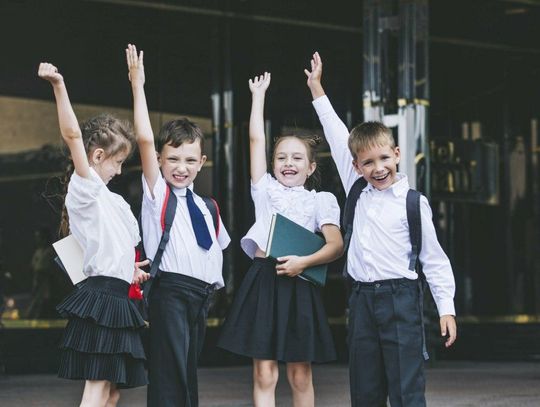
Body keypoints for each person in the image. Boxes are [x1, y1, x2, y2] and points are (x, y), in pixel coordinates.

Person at [305, 52, 457, 407]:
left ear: (398, 154)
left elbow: (434, 260)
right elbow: (335, 130)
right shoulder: (356, 187)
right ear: (356, 166)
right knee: (365, 389)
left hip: (401, 300)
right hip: (361, 301)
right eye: (368, 163)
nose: (378, 168)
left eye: (384, 158)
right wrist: (316, 88)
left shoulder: (413, 202)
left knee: (406, 389)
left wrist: (445, 307)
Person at [217, 72, 344, 407]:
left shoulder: (321, 200)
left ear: (311, 166)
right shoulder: (265, 190)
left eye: (297, 158)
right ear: (272, 165)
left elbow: (335, 246)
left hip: (300, 283)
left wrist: (304, 262)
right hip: (264, 280)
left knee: (300, 374)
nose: (289, 163)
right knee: (264, 373)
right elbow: (256, 140)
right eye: (281, 158)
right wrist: (258, 97)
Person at [38, 62, 150, 407]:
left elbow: (115, 248)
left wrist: (129, 270)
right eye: (117, 163)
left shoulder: (113, 201)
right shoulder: (86, 188)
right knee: (99, 386)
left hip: (119, 295)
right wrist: (59, 84)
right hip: (102, 297)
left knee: (112, 390)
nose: (119, 171)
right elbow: (73, 135)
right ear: (98, 156)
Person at [126, 44, 231, 407]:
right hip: (170, 292)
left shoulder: (208, 207)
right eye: (172, 159)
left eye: (189, 160)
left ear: (202, 162)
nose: (180, 167)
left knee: (186, 373)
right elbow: (142, 137)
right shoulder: (158, 194)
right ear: (159, 159)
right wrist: (138, 84)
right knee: (169, 375)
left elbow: (217, 253)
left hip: (201, 297)